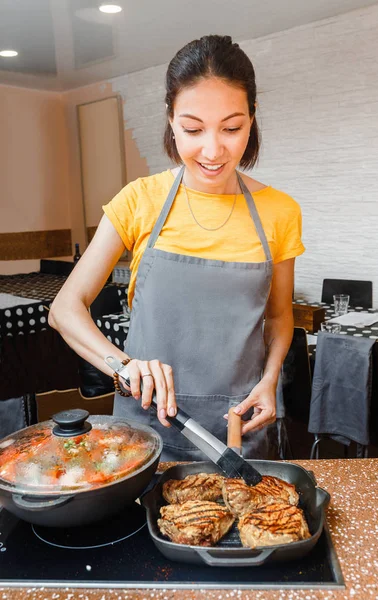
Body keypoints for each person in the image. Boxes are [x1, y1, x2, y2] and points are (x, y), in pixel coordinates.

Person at [49, 35, 305, 461]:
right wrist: (124, 366)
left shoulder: (280, 211)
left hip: (237, 428)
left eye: (232, 127)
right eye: (192, 128)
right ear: (171, 120)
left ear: (252, 118)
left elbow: (279, 316)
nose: (212, 150)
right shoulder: (139, 200)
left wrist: (270, 378)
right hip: (143, 431)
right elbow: (65, 309)